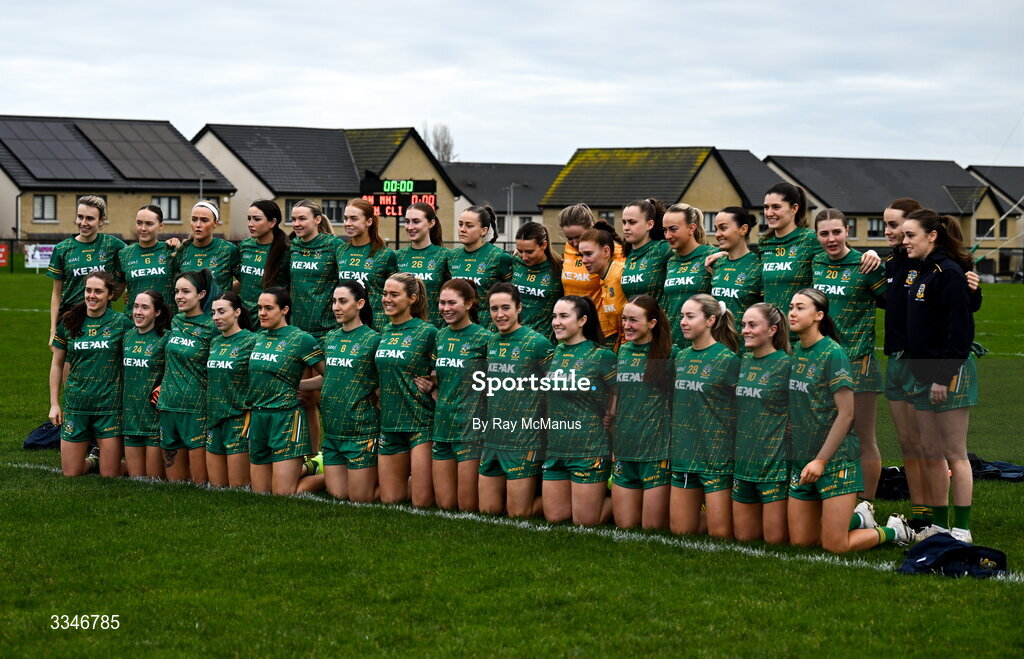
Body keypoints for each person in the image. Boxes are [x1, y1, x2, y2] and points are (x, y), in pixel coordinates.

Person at [787, 288, 912, 553]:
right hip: (801, 460)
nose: (792, 313)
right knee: (801, 541)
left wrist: (821, 460)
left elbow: (847, 414)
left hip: (835, 461)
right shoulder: (796, 350)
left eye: (800, 308)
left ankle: (893, 531)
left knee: (835, 545)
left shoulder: (834, 354)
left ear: (819, 315)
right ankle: (859, 519)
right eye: (791, 307)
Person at [902, 209, 979, 543]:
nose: (903, 242)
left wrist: (942, 377)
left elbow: (960, 331)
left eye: (910, 235)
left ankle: (961, 530)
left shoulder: (948, 271)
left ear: (931, 236)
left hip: (947, 374)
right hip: (921, 373)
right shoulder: (923, 269)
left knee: (954, 453)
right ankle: (940, 526)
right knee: (931, 452)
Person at [811, 209, 887, 506]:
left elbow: (893, 303)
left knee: (863, 437)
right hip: (822, 362)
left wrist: (876, 256)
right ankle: (831, 495)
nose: (831, 239)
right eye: (824, 233)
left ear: (847, 232)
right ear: (816, 236)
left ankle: (866, 504)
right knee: (826, 434)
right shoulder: (815, 261)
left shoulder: (865, 264)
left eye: (837, 232)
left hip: (858, 362)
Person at [478, 283, 553, 518]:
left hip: (523, 440)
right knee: (488, 511)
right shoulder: (490, 342)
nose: (499, 315)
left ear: (519, 308)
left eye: (506, 308)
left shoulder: (537, 343)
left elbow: (555, 389)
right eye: (494, 309)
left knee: (519, 514)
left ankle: (569, 499)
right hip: (493, 438)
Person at [669, 294, 741, 538]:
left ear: (710, 320)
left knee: (721, 534)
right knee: (680, 531)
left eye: (690, 316)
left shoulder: (728, 360)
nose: (683, 322)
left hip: (716, 456)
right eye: (682, 317)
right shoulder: (681, 357)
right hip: (685, 454)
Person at [49, 270, 132, 477]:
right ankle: (94, 460)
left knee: (110, 475)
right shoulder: (69, 322)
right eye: (88, 290)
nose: (92, 296)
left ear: (110, 295)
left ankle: (143, 465)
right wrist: (55, 404)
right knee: (71, 472)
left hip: (109, 407)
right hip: (77, 405)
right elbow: (57, 365)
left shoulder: (121, 323)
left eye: (98, 291)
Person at [542, 295, 617, 526]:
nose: (556, 322)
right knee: (555, 517)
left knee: (584, 522)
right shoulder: (552, 354)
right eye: (555, 316)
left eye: (564, 316)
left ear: (583, 320)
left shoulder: (601, 355)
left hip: (589, 448)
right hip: (556, 448)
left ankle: (626, 497)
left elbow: (624, 391)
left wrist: (613, 413)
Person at [307, 281, 381, 502]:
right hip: (333, 431)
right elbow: (331, 376)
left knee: (359, 498)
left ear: (360, 303)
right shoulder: (331, 338)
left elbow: (382, 383)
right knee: (338, 495)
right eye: (334, 301)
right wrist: (296, 385)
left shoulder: (373, 339)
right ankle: (318, 464)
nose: (336, 307)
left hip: (361, 430)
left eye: (342, 301)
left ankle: (410, 479)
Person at [247, 287, 325, 495]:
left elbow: (332, 376)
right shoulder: (258, 338)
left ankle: (328, 472)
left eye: (269, 308)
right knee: (261, 492)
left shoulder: (302, 339)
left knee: (283, 492)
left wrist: (302, 385)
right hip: (258, 417)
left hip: (286, 417)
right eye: (259, 308)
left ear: (284, 310)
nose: (262, 313)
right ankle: (307, 467)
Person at [421, 279, 491, 511]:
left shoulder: (484, 338)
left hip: (470, 428)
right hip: (442, 425)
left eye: (452, 303)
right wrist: (431, 386)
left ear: (469, 304)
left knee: (467, 506)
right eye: (441, 303)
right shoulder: (440, 336)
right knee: (445, 505)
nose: (445, 308)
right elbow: (439, 377)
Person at [375, 273, 438, 506]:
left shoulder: (428, 333)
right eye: (384, 294)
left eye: (394, 294)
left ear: (412, 298)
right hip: (390, 424)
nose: (387, 299)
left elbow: (445, 369)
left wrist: (434, 381)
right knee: (390, 500)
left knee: (422, 503)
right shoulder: (384, 331)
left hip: (419, 423)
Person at [611, 295, 673, 530]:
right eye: (624, 319)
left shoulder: (670, 354)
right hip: (626, 447)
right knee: (625, 525)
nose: (627, 325)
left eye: (634, 320)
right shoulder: (623, 351)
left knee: (652, 528)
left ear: (652, 323)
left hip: (656, 450)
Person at [732, 304, 791, 543]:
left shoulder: (786, 364)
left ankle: (859, 519)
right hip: (743, 464)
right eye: (744, 325)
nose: (745, 330)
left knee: (775, 540)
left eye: (752, 325)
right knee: (744, 538)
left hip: (773, 465)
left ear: (772, 330)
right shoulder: (744, 361)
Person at [288, 199, 342, 452]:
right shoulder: (293, 246)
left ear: (317, 220)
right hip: (299, 333)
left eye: (302, 219)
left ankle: (337, 452)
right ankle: (313, 454)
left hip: (327, 331)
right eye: (294, 219)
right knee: (305, 399)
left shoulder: (334, 247)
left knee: (327, 398)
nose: (296, 224)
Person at [157, 270, 217, 483]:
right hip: (168, 404)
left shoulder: (213, 326)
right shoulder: (177, 321)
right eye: (176, 291)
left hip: (195, 406)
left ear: (201, 294)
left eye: (185, 291)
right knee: (175, 485)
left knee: (200, 484)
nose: (179, 296)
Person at [48, 195, 126, 346]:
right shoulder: (62, 249)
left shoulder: (113, 245)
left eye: (90, 218)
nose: (83, 223)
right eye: (80, 217)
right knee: (65, 368)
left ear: (101, 221)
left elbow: (137, 257)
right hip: (69, 318)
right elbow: (56, 294)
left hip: (102, 319)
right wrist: (53, 331)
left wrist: (120, 291)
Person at [206, 292, 257, 488]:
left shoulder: (251, 341)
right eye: (213, 313)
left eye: (221, 311)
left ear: (237, 312)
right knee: (217, 487)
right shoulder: (215, 342)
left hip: (238, 418)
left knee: (238, 488)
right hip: (214, 418)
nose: (216, 317)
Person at [121, 290, 173, 479]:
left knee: (154, 481)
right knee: (136, 480)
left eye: (145, 307)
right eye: (135, 307)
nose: (138, 312)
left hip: (154, 419)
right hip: (130, 417)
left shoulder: (166, 339)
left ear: (157, 312)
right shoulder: (127, 337)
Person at [446, 205, 514, 330]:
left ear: (484, 230)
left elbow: (513, 294)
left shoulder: (499, 257)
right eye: (460, 224)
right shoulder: (452, 256)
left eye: (469, 225)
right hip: (457, 329)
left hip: (488, 329)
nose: (462, 229)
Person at [337, 199, 398, 328]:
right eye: (345, 218)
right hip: (346, 326)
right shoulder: (340, 251)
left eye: (354, 219)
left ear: (368, 222)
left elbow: (395, 295)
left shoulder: (385, 255)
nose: (348, 223)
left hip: (377, 327)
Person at [662, 203, 716, 349]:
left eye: (673, 229)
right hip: (673, 345)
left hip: (703, 346)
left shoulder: (711, 256)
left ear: (691, 228)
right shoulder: (671, 262)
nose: (668, 236)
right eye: (665, 230)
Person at [558, 203, 624, 308]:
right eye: (569, 238)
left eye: (579, 237)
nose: (575, 243)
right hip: (572, 320)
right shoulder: (568, 248)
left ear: (591, 227)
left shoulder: (612, 251)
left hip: (599, 320)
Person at [114, 205, 175, 318]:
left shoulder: (170, 250)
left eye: (149, 224)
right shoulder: (124, 254)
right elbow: (115, 294)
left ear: (160, 226)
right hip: (135, 323)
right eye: (139, 223)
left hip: (166, 322)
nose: (143, 228)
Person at [396, 202, 450, 327]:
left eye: (416, 221)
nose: (410, 227)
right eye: (407, 221)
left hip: (435, 329)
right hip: (403, 330)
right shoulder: (397, 256)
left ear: (431, 223)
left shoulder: (445, 256)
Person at [709, 208, 762, 331]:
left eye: (723, 228)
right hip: (718, 345)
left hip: (745, 345)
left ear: (743, 229)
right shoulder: (716, 264)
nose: (717, 234)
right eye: (716, 229)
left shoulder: (758, 266)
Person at [171, 201, 239, 293]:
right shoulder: (181, 250)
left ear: (215, 223)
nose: (198, 225)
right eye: (194, 219)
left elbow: (246, 282)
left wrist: (225, 294)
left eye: (204, 220)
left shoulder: (228, 249)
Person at [237, 200, 290, 317]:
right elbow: (243, 281)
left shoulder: (286, 252)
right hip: (244, 318)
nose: (250, 224)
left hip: (268, 318)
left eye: (256, 219)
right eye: (249, 218)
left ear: (272, 222)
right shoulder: (244, 246)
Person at [578, 222, 627, 346]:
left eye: (588, 254)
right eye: (581, 255)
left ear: (606, 251)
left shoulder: (621, 274)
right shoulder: (603, 278)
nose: (583, 260)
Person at [512, 221, 563, 339]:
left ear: (544, 245)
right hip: (515, 339)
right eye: (520, 251)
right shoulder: (515, 262)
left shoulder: (559, 269)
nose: (524, 257)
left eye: (530, 252)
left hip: (543, 341)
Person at [620, 198, 672, 302]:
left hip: (658, 317)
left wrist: (715, 255)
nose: (626, 227)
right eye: (624, 222)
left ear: (649, 224)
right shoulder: (625, 254)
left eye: (632, 222)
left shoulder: (662, 248)